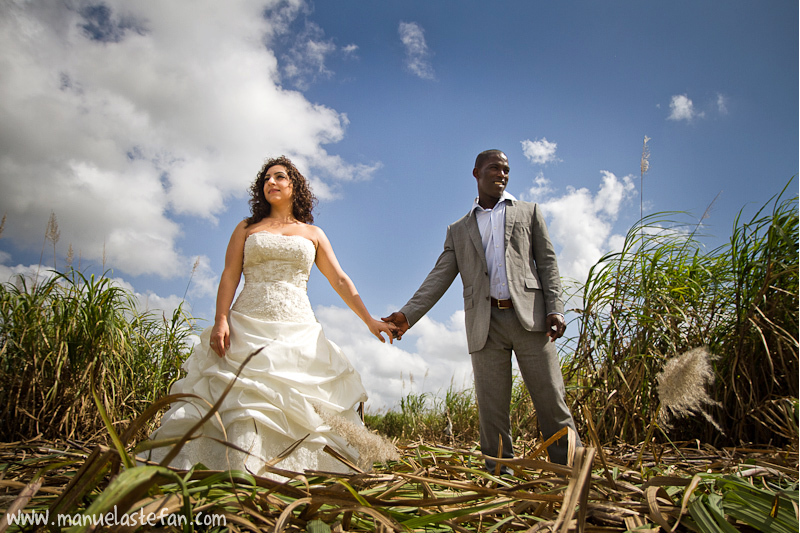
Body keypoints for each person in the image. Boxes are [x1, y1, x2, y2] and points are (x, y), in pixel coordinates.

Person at [147, 156, 397, 478]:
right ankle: (231, 470)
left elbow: (339, 279)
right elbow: (229, 275)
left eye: (279, 177)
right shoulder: (247, 227)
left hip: (297, 325)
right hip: (247, 322)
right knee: (243, 400)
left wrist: (369, 319)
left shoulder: (313, 233)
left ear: (295, 186)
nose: (271, 182)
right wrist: (221, 319)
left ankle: (297, 476)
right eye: (266, 178)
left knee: (302, 402)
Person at [382, 149, 580, 470]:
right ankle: (500, 480)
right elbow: (439, 276)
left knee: (551, 402)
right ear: (476, 173)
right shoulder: (458, 230)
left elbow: (547, 263)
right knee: (492, 412)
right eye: (494, 169)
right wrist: (408, 315)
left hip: (530, 318)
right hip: (485, 325)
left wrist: (555, 308)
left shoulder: (528, 213)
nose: (501, 174)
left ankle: (573, 473)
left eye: (506, 170)